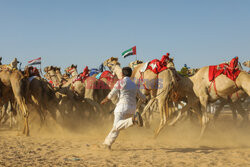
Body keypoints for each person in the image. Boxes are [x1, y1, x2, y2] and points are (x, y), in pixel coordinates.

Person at [101, 67, 146, 150]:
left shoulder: (120, 82)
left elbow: (112, 93)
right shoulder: (134, 85)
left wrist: (105, 100)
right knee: (117, 127)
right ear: (130, 74)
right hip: (132, 109)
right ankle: (107, 144)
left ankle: (133, 120)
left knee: (116, 126)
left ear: (122, 74)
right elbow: (142, 97)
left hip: (121, 107)